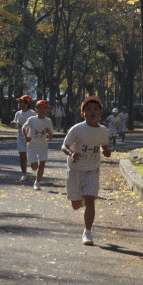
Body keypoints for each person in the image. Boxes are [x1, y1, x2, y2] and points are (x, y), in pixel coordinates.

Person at [61, 96, 111, 246]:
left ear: (100, 113)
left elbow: (104, 146)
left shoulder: (103, 131)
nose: (92, 112)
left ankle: (87, 232)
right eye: (88, 109)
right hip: (75, 170)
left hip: (92, 170)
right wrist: (71, 153)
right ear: (83, 113)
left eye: (96, 109)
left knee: (90, 200)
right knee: (76, 205)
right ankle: (79, 199)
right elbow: (64, 146)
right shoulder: (77, 129)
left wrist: (106, 151)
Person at [22, 99, 54, 190]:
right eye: (40, 108)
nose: (42, 110)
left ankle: (37, 182)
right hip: (32, 145)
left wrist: (49, 132)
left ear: (47, 110)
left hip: (43, 145)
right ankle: (36, 173)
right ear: (36, 109)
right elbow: (24, 128)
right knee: (34, 167)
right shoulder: (32, 119)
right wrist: (26, 137)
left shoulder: (48, 121)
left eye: (44, 108)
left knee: (42, 164)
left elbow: (51, 137)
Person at [11, 95, 36, 182]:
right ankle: (24, 174)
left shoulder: (33, 113)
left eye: (21, 102)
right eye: (19, 102)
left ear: (27, 103)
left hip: (31, 138)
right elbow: (17, 125)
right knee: (22, 156)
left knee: (31, 157)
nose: (19, 103)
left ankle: (35, 166)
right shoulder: (18, 114)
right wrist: (14, 124)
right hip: (21, 138)